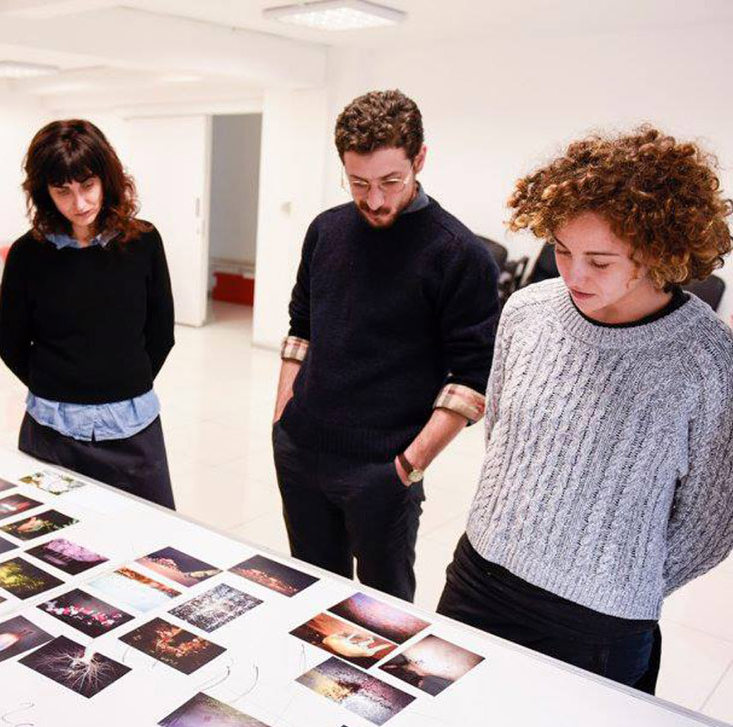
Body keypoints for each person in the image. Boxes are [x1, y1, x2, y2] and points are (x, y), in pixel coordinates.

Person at [437, 127, 733, 694]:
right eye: (563, 251)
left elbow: (711, 519)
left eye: (599, 261)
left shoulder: (706, 357)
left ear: (655, 251)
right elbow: (503, 436)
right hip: (480, 577)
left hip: (599, 622)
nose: (573, 275)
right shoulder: (527, 312)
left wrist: (618, 574)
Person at [272, 90, 499, 602]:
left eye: (391, 181)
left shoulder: (459, 255)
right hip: (301, 451)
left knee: (384, 611)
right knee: (308, 596)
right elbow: (300, 325)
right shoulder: (326, 231)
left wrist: (406, 468)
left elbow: (473, 380)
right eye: (359, 183)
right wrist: (282, 418)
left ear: (420, 159)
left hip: (384, 469)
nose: (374, 200)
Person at [0, 119, 176, 508]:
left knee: (149, 547)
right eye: (63, 191)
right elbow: (10, 342)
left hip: (131, 428)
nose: (79, 204)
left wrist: (121, 382)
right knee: (49, 551)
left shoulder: (144, 242)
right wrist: (58, 385)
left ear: (107, 179)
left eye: (88, 186)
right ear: (44, 193)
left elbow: (162, 333)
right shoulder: (28, 254)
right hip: (51, 430)